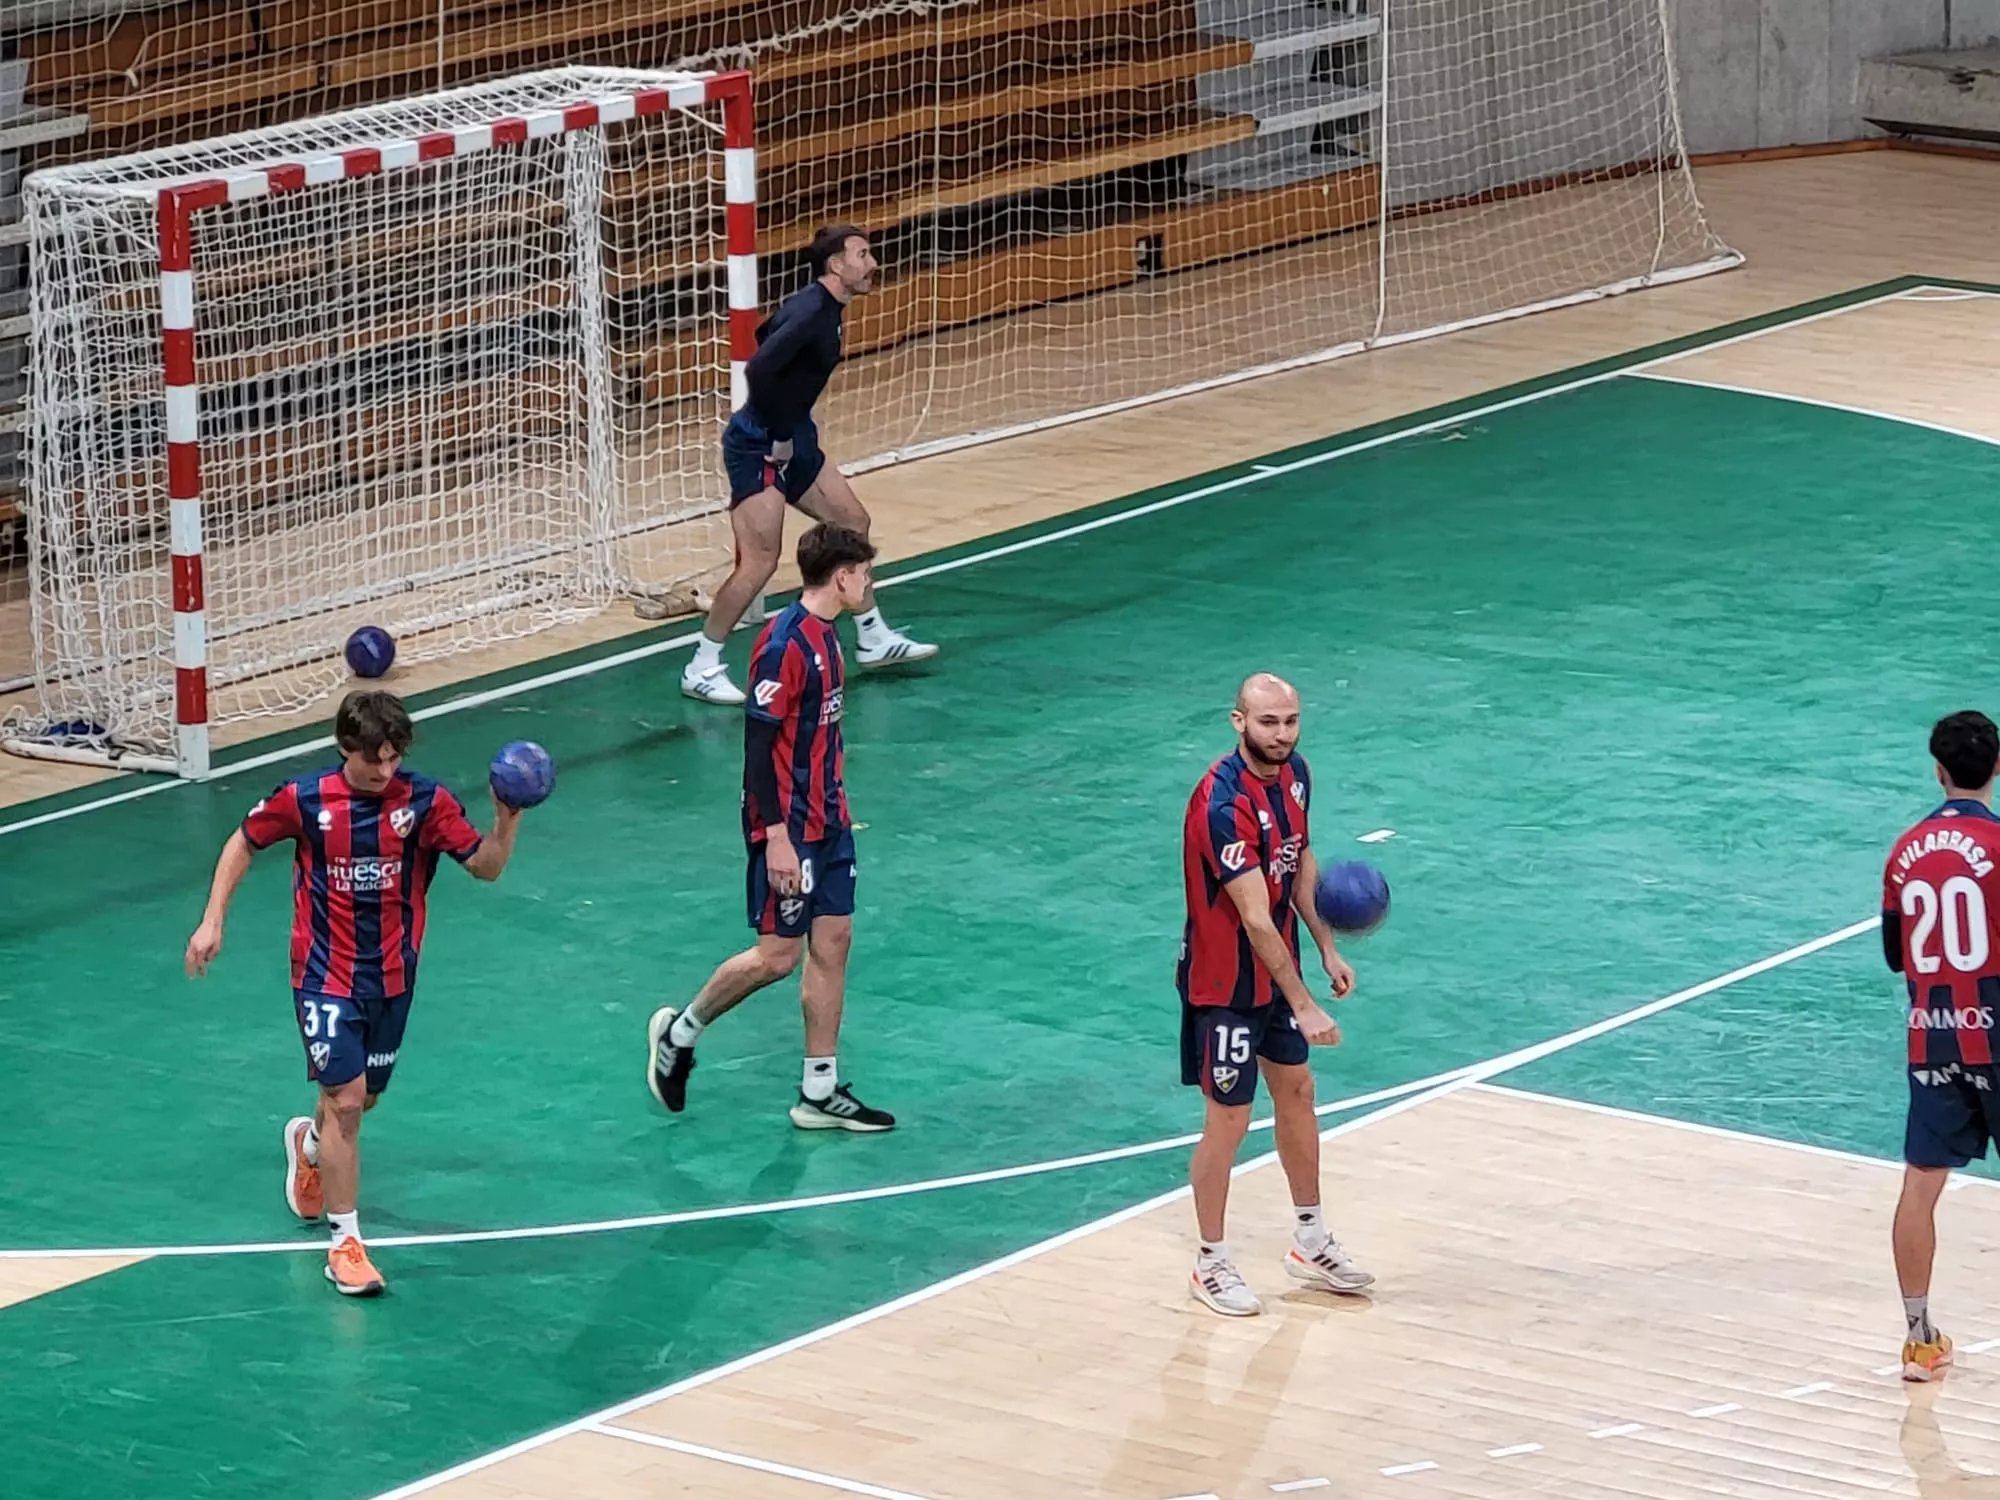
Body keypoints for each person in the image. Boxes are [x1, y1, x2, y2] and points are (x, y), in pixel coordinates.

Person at [184, 689, 525, 1296]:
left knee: (360, 1104)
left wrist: (507, 818)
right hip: (323, 973)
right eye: (375, 759)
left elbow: (487, 866)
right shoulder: (306, 798)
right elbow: (242, 841)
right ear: (346, 748)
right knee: (345, 1101)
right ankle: (345, 1243)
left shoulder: (424, 802)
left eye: (395, 758)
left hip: (393, 977)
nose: (386, 770)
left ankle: (306, 1145)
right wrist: (213, 920)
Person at [649, 523, 895, 1131]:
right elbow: (758, 750)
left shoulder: (827, 637)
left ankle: (819, 1089)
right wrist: (778, 837)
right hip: (790, 830)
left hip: (831, 819)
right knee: (777, 957)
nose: (868, 582)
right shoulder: (784, 645)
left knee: (833, 941)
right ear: (841, 576)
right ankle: (680, 1034)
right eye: (863, 572)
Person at [1178, 672, 1374, 1316]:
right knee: (1228, 1121)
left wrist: (1325, 946)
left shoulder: (1297, 776)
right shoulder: (1221, 804)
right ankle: (1210, 1262)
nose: (1282, 734)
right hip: (1224, 987)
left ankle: (1310, 1239)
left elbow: (1299, 861)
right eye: (1268, 722)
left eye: (1291, 721)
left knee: (1298, 1092)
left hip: (1277, 975)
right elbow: (1256, 917)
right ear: (1238, 722)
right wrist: (1304, 1002)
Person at [681, 224, 935, 706]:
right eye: (862, 255)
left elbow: (767, 334)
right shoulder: (812, 311)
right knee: (760, 561)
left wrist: (794, 424)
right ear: (835, 265)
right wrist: (777, 434)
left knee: (852, 522)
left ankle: (872, 635)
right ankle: (703, 664)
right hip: (760, 442)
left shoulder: (825, 309)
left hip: (793, 434)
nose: (872, 264)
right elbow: (758, 366)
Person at [1883, 708, 2000, 1380]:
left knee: (1920, 1187)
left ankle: (1920, 1342)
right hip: (1999, 1033)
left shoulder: (1905, 850)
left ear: (1938, 769)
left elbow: (1898, 954)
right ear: (1997, 766)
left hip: (1931, 1037)